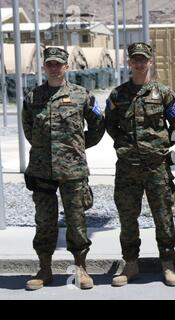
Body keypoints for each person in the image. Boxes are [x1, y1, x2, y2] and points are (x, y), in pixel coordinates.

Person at [22, 47, 105, 290]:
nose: (54, 68)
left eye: (59, 64)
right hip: (41, 170)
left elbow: (98, 124)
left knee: (76, 220)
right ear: (45, 67)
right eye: (50, 64)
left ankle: (81, 269)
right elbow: (29, 128)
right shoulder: (33, 97)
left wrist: (78, 146)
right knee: (44, 221)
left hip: (73, 170)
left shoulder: (82, 95)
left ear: (67, 67)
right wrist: (43, 149)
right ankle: (44, 269)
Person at [105, 42, 175, 287]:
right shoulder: (118, 95)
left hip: (156, 166)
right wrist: (124, 145)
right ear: (129, 62)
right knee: (128, 217)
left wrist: (162, 146)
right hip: (128, 167)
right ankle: (130, 264)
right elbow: (109, 124)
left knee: (163, 216)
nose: (139, 63)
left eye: (143, 59)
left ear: (150, 61)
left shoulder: (164, 93)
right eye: (135, 59)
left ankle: (168, 265)